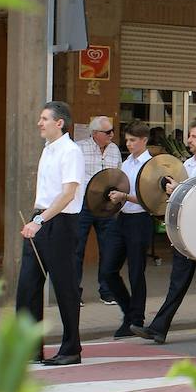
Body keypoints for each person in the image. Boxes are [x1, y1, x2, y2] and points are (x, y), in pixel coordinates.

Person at [131, 120, 196, 345]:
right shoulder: (187, 164)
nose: (188, 140)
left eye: (194, 136)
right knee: (177, 281)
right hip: (186, 231)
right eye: (189, 136)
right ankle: (159, 328)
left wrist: (179, 188)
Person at [16, 101, 84, 365]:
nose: (39, 123)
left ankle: (71, 350)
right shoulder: (48, 149)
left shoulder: (71, 151)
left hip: (60, 224)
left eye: (44, 119)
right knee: (27, 287)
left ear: (60, 123)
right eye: (40, 118)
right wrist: (36, 218)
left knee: (65, 287)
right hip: (41, 218)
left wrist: (40, 221)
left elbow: (68, 194)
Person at [102, 123, 154, 338]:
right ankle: (128, 311)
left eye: (133, 140)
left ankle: (136, 319)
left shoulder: (151, 165)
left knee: (135, 272)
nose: (129, 143)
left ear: (144, 140)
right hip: (122, 218)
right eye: (127, 140)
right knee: (108, 270)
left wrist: (124, 196)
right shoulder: (127, 163)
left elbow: (149, 198)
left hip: (140, 220)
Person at [73, 115, 122, 305]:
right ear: (95, 134)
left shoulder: (114, 150)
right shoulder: (79, 148)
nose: (111, 135)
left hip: (106, 204)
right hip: (84, 203)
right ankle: (74, 293)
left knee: (108, 248)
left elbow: (118, 174)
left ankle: (107, 291)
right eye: (107, 132)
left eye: (112, 131)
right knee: (77, 249)